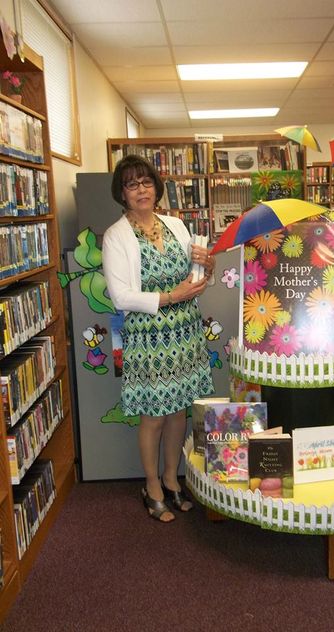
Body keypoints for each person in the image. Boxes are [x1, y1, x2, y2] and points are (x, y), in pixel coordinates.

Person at [102, 155, 215, 522]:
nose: (141, 190)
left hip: (184, 331)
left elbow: (196, 281)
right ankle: (151, 484)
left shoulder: (177, 226)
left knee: (178, 411)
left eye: (146, 182)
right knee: (153, 415)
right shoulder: (116, 236)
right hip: (149, 337)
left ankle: (172, 478)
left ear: (156, 187)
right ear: (122, 193)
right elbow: (120, 297)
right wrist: (170, 297)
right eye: (132, 184)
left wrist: (208, 269)